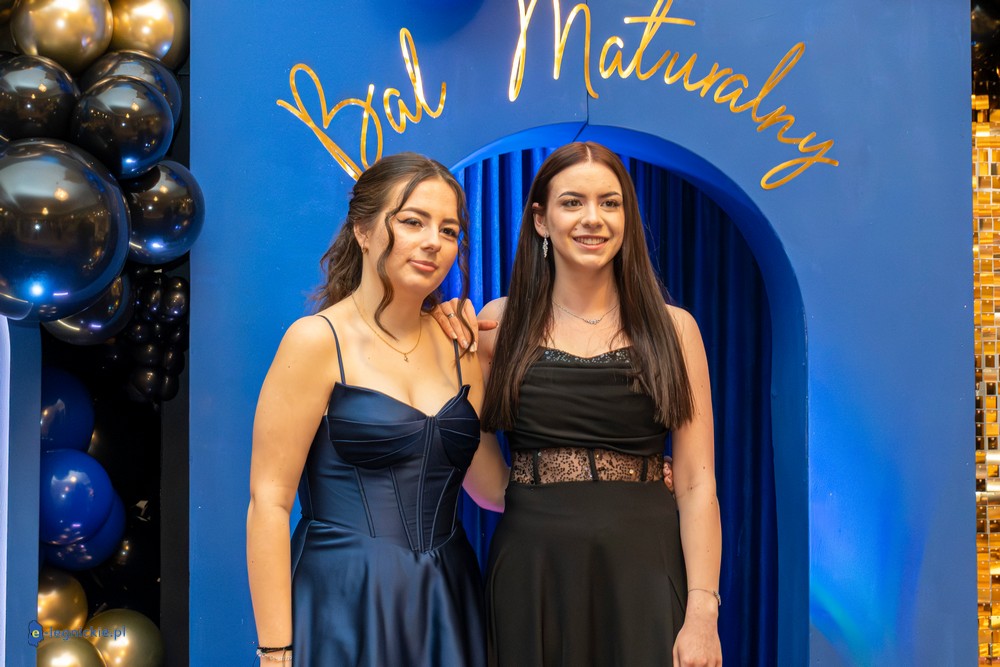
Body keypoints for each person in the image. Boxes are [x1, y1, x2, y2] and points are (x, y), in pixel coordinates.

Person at [438, 142, 722, 666]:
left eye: (610, 203)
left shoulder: (676, 330)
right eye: (573, 202)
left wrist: (703, 613)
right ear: (540, 220)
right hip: (532, 571)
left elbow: (696, 483)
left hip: (644, 568)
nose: (593, 218)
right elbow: (483, 474)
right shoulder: (498, 325)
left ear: (627, 218)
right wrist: (449, 359)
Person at [246, 152, 507, 666]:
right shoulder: (316, 340)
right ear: (362, 231)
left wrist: (621, 473)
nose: (433, 241)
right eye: (412, 221)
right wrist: (275, 651)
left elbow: (491, 489)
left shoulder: (461, 345)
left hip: (446, 599)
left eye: (449, 230)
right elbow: (269, 502)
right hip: (344, 599)